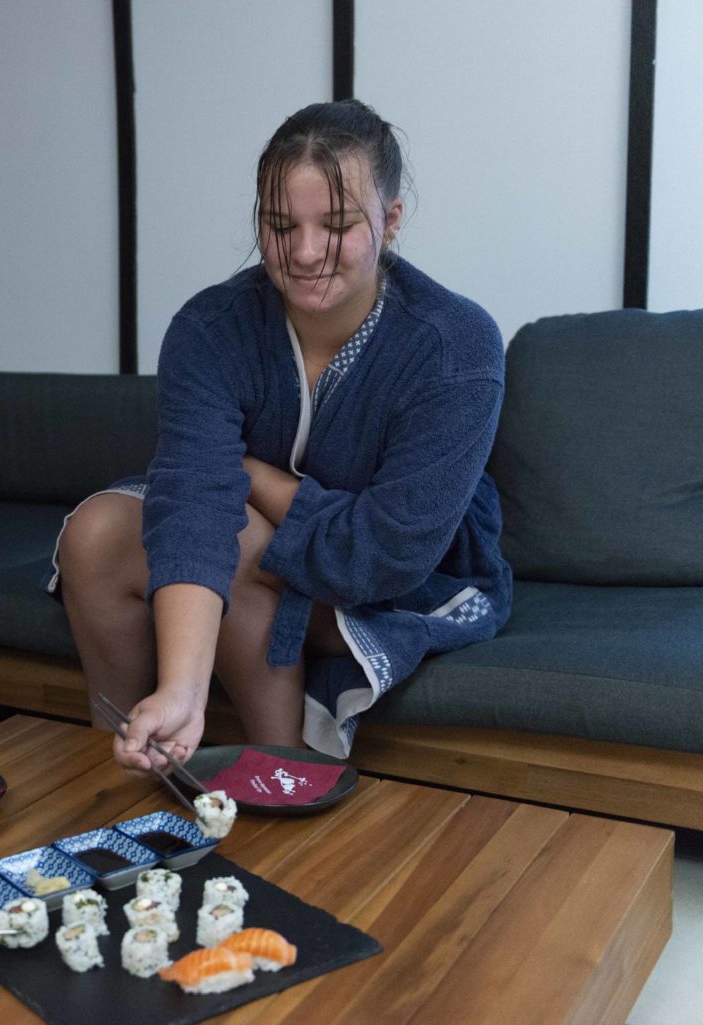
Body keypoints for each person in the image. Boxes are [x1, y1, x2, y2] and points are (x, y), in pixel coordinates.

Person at [53, 99, 512, 776]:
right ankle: (129, 756)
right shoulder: (211, 328)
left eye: (337, 224)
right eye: (279, 225)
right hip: (252, 546)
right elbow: (196, 497)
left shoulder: (457, 345)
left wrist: (254, 476)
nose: (303, 253)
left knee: (236, 529)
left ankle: (283, 770)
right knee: (94, 533)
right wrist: (181, 687)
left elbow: (382, 555)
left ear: (389, 221)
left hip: (395, 583)